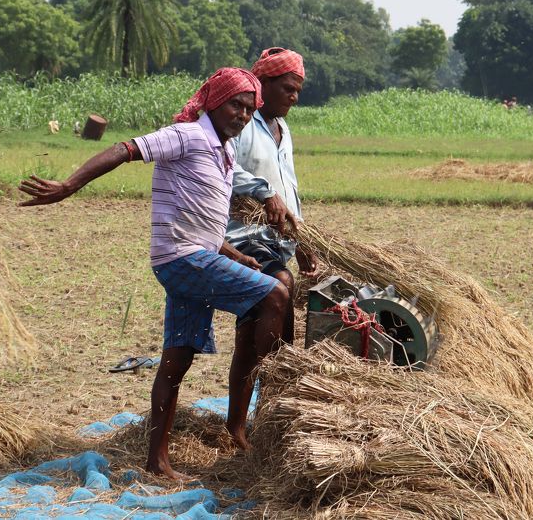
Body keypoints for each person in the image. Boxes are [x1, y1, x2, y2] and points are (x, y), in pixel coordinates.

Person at [17, 68, 289, 480]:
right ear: (214, 102)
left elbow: (199, 220)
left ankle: (156, 462)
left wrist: (234, 254)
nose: (242, 115)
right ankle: (283, 382)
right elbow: (125, 148)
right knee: (275, 295)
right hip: (182, 259)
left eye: (250, 110)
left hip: (193, 256)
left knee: (176, 361)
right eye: (236, 104)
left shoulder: (224, 151)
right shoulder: (187, 135)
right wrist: (69, 186)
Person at [227, 47, 319, 348]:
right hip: (242, 236)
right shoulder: (241, 122)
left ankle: (271, 367)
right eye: (288, 89)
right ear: (263, 83)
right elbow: (224, 167)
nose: (294, 97)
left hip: (276, 240)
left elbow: (289, 187)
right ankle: (284, 365)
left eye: (298, 91)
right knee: (282, 283)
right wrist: (264, 192)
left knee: (253, 325)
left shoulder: (282, 128)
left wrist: (301, 238)